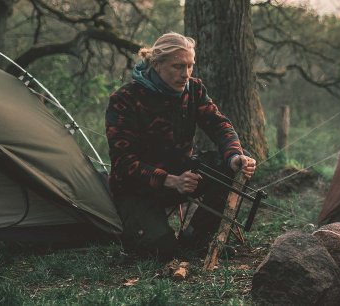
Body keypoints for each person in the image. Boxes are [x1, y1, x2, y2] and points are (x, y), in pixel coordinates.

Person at [106, 32, 256, 259]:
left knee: (233, 163)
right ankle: (152, 237)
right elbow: (122, 163)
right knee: (161, 252)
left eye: (190, 66)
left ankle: (197, 236)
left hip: (183, 175)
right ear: (157, 64)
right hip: (138, 189)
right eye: (178, 66)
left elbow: (220, 126)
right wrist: (170, 180)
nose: (185, 74)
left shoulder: (194, 89)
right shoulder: (125, 99)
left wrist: (235, 156)